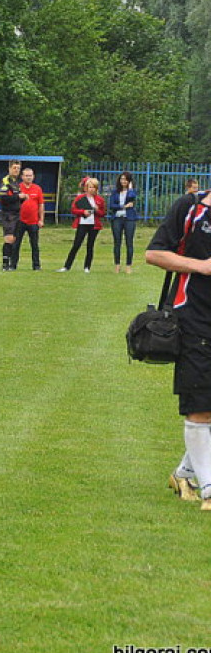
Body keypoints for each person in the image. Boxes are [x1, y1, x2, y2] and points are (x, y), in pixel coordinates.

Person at [147, 189, 211, 510]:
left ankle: (183, 473)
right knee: (199, 405)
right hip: (194, 320)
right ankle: (209, 491)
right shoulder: (191, 207)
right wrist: (202, 266)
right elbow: (154, 254)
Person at [59, 177, 106, 273]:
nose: (92, 189)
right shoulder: (80, 198)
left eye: (94, 187)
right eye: (90, 187)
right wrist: (83, 212)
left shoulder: (99, 200)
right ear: (86, 188)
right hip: (82, 224)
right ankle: (67, 266)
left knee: (90, 245)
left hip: (94, 225)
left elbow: (103, 213)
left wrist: (97, 210)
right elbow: (73, 210)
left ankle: (87, 267)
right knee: (76, 244)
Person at [10, 167, 44, 271]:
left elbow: (41, 205)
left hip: (33, 222)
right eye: (26, 175)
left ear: (33, 176)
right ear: (22, 177)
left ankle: (36, 266)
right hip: (19, 221)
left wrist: (41, 219)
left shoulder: (37, 189)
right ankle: (13, 265)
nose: (29, 177)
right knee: (16, 244)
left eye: (30, 175)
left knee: (34, 245)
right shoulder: (17, 188)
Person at [108, 171, 138, 274]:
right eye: (121, 179)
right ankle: (117, 265)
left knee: (129, 242)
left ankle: (128, 265)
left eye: (125, 179)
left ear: (129, 181)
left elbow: (132, 197)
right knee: (117, 242)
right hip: (117, 218)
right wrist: (123, 206)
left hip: (129, 218)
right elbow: (112, 205)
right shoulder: (115, 192)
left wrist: (130, 188)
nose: (123, 181)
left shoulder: (132, 191)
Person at [0, 160, 22, 271]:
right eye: (14, 168)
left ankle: (10, 263)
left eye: (18, 168)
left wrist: (21, 200)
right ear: (9, 169)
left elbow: (16, 199)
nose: (16, 170)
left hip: (17, 214)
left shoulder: (16, 182)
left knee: (13, 239)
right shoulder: (6, 181)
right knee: (9, 238)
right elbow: (3, 198)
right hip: (8, 214)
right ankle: (5, 264)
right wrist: (19, 197)